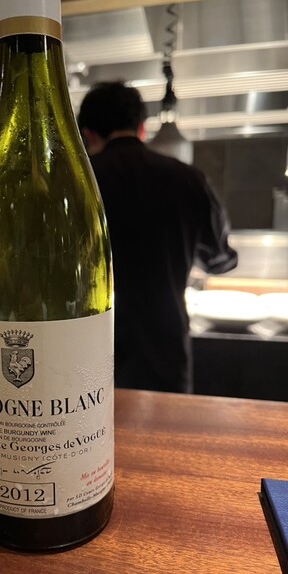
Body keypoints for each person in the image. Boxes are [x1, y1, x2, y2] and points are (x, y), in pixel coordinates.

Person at [78, 81, 238, 393]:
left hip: (92, 351)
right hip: (166, 350)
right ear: (142, 128)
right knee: (167, 424)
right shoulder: (188, 179)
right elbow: (221, 260)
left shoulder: (75, 184)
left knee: (92, 421)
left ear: (88, 135)